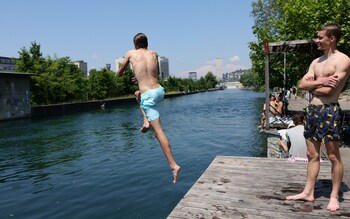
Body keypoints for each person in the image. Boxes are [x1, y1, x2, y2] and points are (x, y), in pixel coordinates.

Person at [286, 23, 350, 211]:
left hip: (330, 110)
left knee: (332, 156)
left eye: (321, 37)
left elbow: (330, 90)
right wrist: (320, 81)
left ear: (332, 38)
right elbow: (302, 85)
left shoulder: (343, 60)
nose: (317, 40)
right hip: (312, 111)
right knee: (311, 155)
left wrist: (313, 84)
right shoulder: (316, 62)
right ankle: (308, 192)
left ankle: (334, 196)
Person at [116, 33, 180, 184]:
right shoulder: (154, 53)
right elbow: (155, 73)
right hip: (159, 91)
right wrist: (138, 77)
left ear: (135, 45)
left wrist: (122, 71)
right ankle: (146, 120)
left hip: (149, 96)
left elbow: (119, 73)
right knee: (137, 93)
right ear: (146, 44)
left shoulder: (131, 53)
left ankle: (173, 165)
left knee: (158, 132)